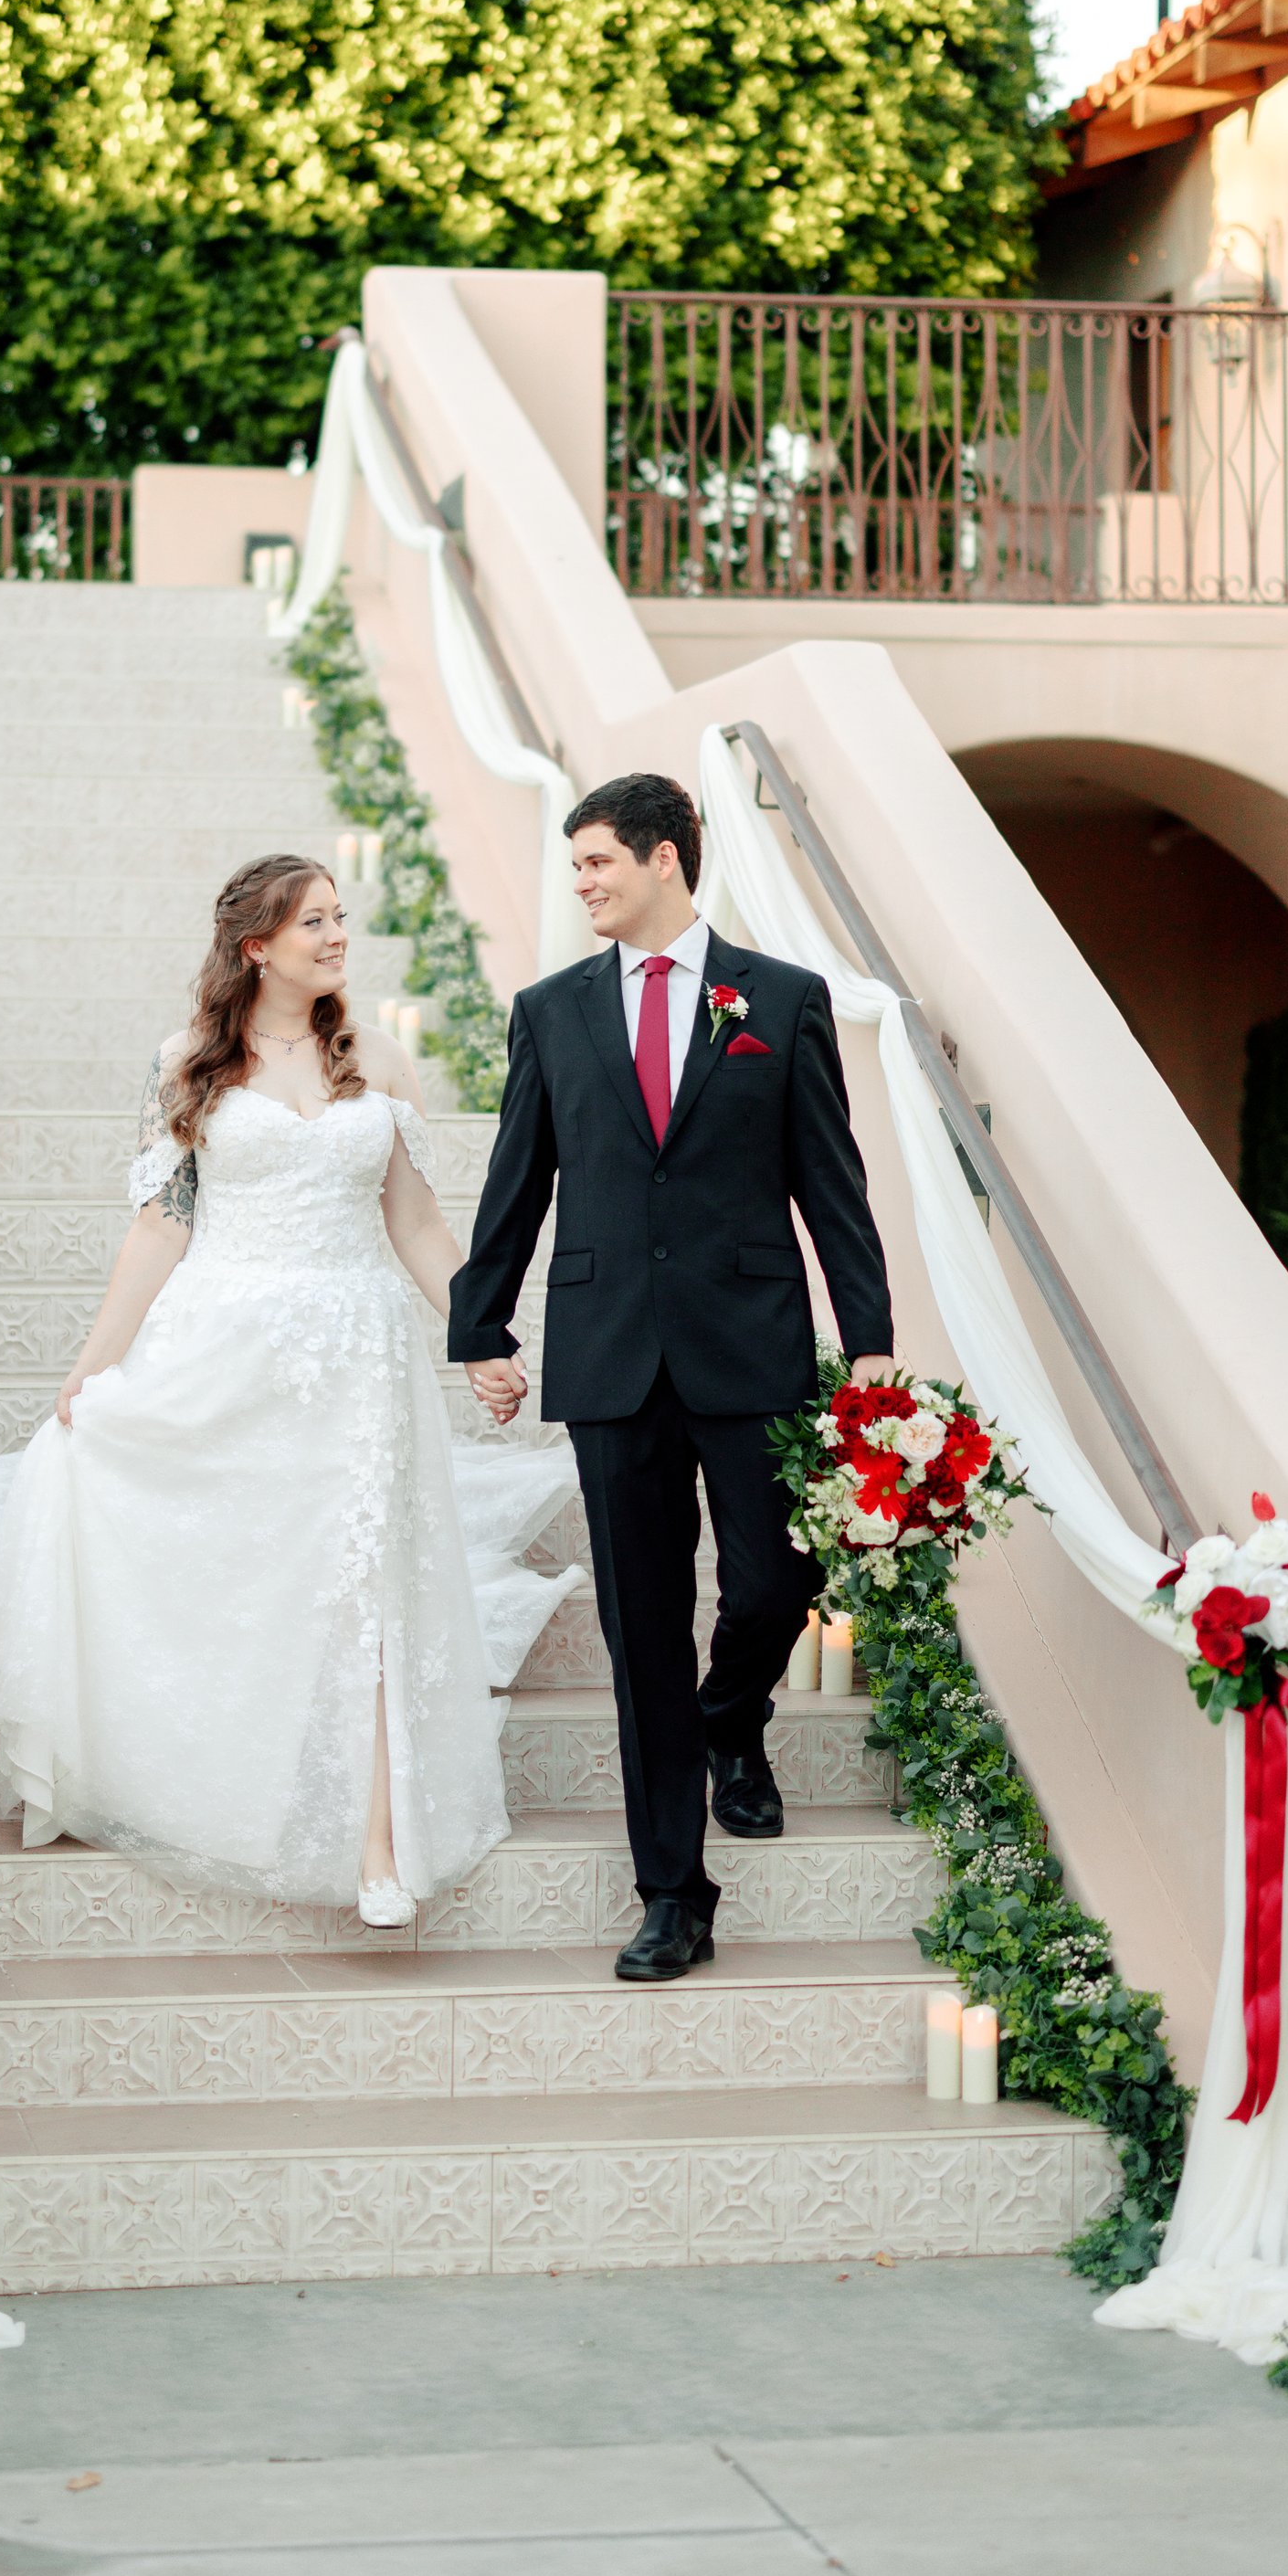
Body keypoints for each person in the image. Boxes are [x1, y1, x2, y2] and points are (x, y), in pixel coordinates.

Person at [0, 854, 574, 1929]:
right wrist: (97, 1359)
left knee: (368, 1580)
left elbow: (417, 1222)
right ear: (256, 946)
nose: (338, 937)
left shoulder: (378, 1058)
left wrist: (477, 1336)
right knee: (254, 1575)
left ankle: (383, 1841)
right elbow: (161, 1223)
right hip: (229, 1345)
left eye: (340, 917)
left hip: (361, 1355)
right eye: (314, 923)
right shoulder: (188, 1062)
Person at [449, 772, 894, 1983]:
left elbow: (831, 1187)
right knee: (642, 1629)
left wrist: (872, 1344)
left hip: (750, 1341)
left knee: (772, 1578)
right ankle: (671, 1892)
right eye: (575, 863)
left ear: (664, 861)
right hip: (608, 1354)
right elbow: (518, 1180)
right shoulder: (551, 1013)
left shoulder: (781, 1001)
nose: (582, 881)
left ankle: (734, 1714)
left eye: (597, 860)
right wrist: (479, 1324)